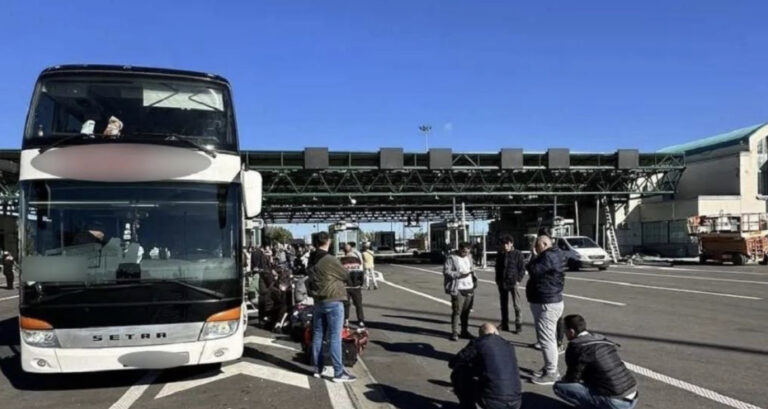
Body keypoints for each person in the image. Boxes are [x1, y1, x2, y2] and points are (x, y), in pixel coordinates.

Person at [553, 315, 639, 409]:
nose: (565, 333)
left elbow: (573, 378)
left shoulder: (577, 347)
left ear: (571, 331)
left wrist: (564, 379)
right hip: (633, 395)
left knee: (559, 387)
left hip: (616, 402)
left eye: (565, 330)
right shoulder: (601, 339)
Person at [308, 232, 356, 382]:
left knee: (318, 335)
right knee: (335, 337)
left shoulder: (311, 259)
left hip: (318, 301)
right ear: (328, 241)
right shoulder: (329, 259)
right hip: (333, 300)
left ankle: (317, 368)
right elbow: (345, 275)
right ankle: (338, 372)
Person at [449, 323, 522, 409]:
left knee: (459, 372)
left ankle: (467, 406)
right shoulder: (508, 345)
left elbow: (454, 362)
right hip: (516, 400)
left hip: (494, 401)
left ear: (481, 335)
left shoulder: (479, 343)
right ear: (496, 332)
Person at [526, 235, 566, 385]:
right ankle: (549, 367)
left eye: (537, 246)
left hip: (546, 301)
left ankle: (551, 372)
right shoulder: (555, 254)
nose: (535, 249)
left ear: (544, 244)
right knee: (547, 337)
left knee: (547, 339)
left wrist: (534, 256)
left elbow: (533, 269)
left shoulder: (548, 256)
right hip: (548, 299)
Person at [444, 242, 478, 341]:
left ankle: (464, 331)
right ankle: (454, 331)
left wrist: (475, 278)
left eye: (468, 250)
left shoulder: (469, 257)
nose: (466, 252)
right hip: (458, 288)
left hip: (469, 287)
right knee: (457, 311)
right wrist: (458, 274)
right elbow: (446, 271)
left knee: (466, 312)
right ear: (459, 248)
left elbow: (471, 269)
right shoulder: (452, 258)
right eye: (464, 250)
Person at [495, 236, 526, 334]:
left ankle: (518, 325)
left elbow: (522, 268)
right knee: (503, 304)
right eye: (504, 244)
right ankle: (504, 324)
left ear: (511, 243)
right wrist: (497, 280)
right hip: (502, 282)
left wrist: (518, 280)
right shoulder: (500, 254)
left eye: (507, 244)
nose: (505, 246)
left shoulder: (518, 254)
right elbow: (497, 268)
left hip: (513, 282)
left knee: (517, 305)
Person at [342, 246, 365, 328]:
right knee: (358, 304)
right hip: (356, 286)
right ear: (351, 250)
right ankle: (361, 321)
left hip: (345, 287)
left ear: (344, 251)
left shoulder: (342, 261)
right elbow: (361, 274)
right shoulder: (357, 261)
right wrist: (360, 283)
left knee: (346, 304)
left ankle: (346, 320)